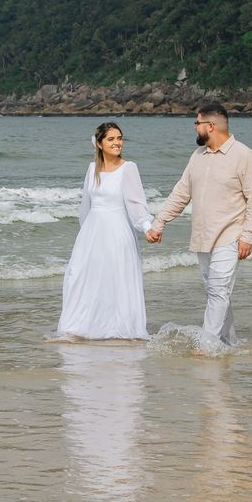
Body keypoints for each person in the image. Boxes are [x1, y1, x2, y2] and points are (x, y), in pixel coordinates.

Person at [146, 103, 252, 350]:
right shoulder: (197, 157)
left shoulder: (243, 155)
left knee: (218, 290)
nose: (194, 128)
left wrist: (248, 235)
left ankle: (207, 346)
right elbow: (181, 193)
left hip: (230, 236)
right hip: (203, 236)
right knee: (217, 292)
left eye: (197, 123)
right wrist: (159, 222)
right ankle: (229, 342)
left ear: (210, 126)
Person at [55, 122, 155, 340]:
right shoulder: (92, 169)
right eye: (111, 139)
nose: (117, 143)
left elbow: (136, 203)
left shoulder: (129, 168)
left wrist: (147, 227)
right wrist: (85, 237)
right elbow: (85, 205)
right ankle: (78, 327)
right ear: (99, 143)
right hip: (92, 234)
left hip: (117, 232)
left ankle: (120, 330)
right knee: (80, 277)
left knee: (116, 280)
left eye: (119, 138)